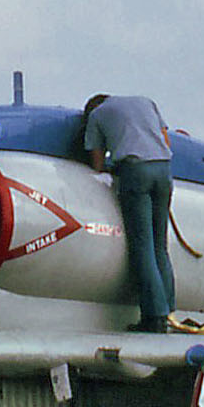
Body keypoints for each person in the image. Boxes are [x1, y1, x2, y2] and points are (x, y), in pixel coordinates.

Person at [83, 94, 175, 333]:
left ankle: (154, 317)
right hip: (164, 170)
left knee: (142, 246)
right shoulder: (147, 102)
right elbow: (165, 139)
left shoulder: (96, 115)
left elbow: (96, 163)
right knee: (160, 246)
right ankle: (169, 313)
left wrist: (111, 162)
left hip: (136, 172)